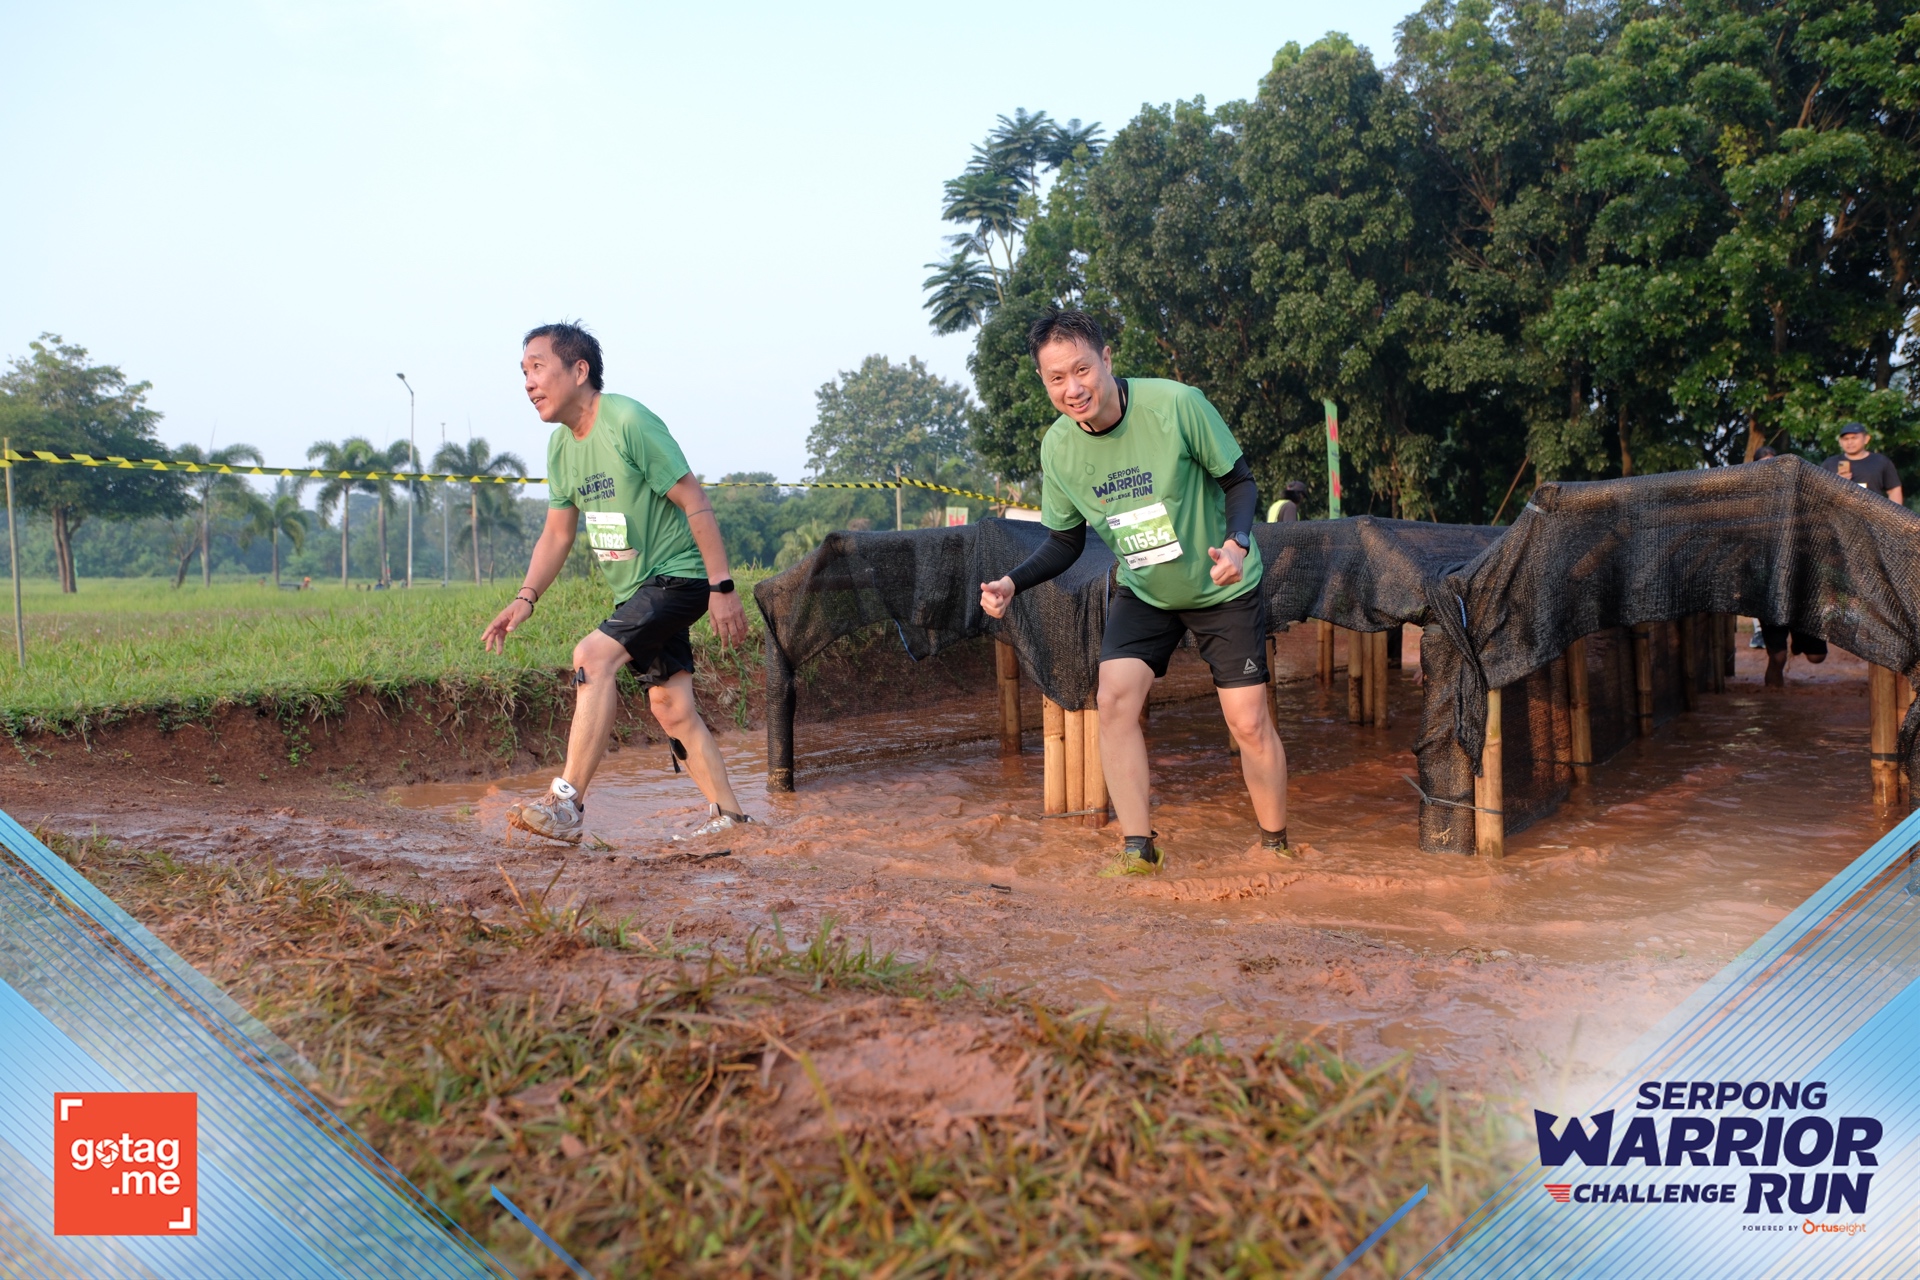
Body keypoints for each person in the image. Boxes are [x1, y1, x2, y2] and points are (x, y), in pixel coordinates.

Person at [979, 310, 1287, 873]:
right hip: (1145, 588)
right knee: (1114, 700)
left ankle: (1275, 848)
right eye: (1056, 378)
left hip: (1221, 583)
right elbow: (1065, 541)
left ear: (1106, 359)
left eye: (1081, 370)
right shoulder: (1058, 448)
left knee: (1247, 722)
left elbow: (1239, 481)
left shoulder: (1177, 404)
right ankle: (1138, 851)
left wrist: (1237, 545)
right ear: (1044, 382)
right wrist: (1012, 582)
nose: (1073, 389)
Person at [482, 322, 751, 844]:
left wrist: (722, 587)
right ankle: (732, 820)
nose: (528, 382)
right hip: (636, 591)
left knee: (593, 656)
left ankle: (567, 806)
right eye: (523, 372)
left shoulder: (628, 420)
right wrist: (525, 598)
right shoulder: (561, 448)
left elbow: (693, 498)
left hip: (678, 576)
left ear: (579, 370)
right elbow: (557, 534)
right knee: (671, 706)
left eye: (538, 367)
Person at [1822, 422, 1903, 504]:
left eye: (1854, 438)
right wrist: (1835, 483)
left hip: (1872, 510)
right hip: (1839, 511)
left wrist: (1894, 512)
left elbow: (1894, 490)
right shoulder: (1830, 463)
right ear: (1840, 442)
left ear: (1866, 439)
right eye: (1846, 439)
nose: (1850, 442)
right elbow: (1819, 492)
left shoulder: (1880, 461)